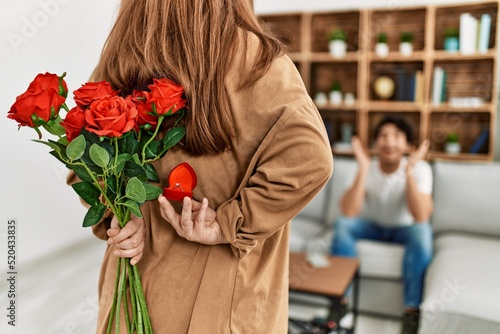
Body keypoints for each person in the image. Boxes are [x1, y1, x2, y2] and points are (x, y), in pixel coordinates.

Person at [67, 0, 333, 333]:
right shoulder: (254, 59)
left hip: (132, 291)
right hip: (219, 303)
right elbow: (311, 159)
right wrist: (229, 223)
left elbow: (82, 160)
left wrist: (120, 218)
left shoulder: (124, 55)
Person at [330, 116, 433, 334]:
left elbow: (421, 215)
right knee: (343, 225)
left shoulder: (420, 169)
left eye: (397, 136)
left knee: (422, 232)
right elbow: (349, 211)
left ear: (407, 145)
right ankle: (341, 303)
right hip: (371, 226)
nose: (389, 142)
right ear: (376, 142)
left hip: (404, 230)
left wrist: (409, 172)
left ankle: (411, 313)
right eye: (383, 135)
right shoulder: (365, 167)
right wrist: (364, 167)